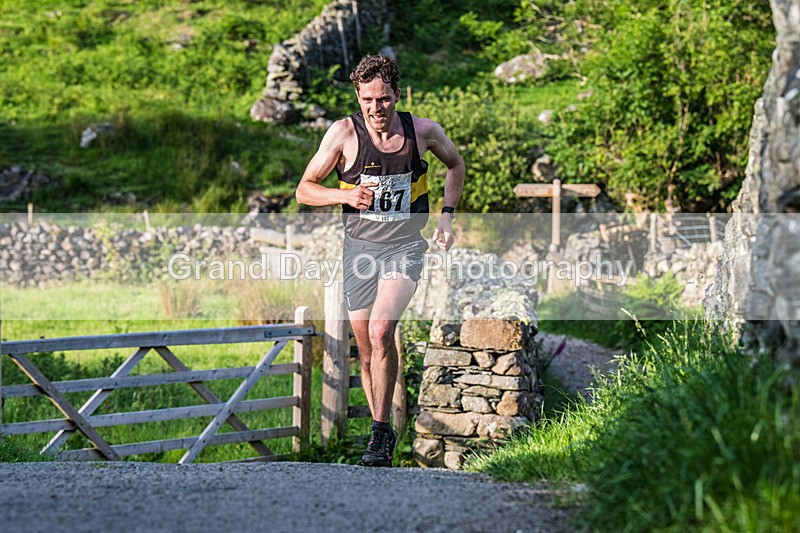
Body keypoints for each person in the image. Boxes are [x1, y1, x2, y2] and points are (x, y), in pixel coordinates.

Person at [296, 54, 465, 467]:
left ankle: (376, 436)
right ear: (358, 96)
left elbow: (456, 165)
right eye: (368, 99)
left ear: (397, 95)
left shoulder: (422, 131)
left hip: (405, 246)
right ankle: (383, 430)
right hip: (358, 251)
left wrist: (446, 214)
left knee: (381, 327)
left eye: (384, 99)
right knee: (368, 351)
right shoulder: (342, 134)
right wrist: (344, 195)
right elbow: (304, 189)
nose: (376, 109)